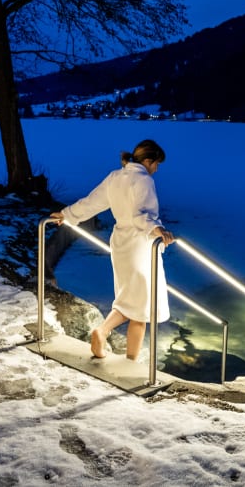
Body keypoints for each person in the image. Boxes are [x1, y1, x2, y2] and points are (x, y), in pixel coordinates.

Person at [51, 139, 174, 361]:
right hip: (139, 245)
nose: (156, 169)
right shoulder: (143, 180)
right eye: (156, 164)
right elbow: (142, 215)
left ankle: (106, 334)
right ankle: (119, 348)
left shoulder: (116, 176)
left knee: (130, 298)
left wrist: (67, 214)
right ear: (147, 160)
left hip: (120, 242)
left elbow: (92, 202)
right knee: (142, 306)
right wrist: (157, 229)